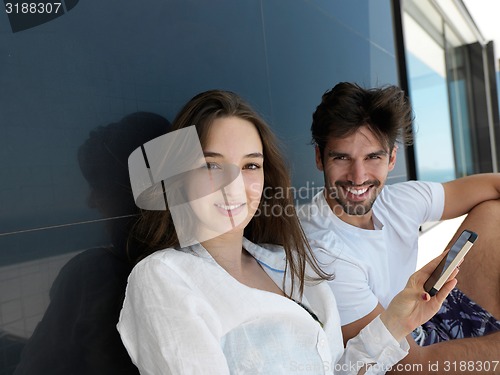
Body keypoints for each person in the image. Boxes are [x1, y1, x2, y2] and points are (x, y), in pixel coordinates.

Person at [117, 89, 457, 375]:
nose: (234, 186)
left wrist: (397, 320)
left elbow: (339, 369)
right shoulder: (163, 278)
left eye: (250, 165)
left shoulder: (289, 263)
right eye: (212, 165)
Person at [299, 82, 500, 374]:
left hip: (427, 316)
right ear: (320, 158)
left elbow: (492, 185)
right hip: (403, 356)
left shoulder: (397, 200)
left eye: (373, 157)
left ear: (392, 158)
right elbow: (406, 365)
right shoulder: (322, 250)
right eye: (341, 157)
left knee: (492, 210)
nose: (358, 177)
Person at [14, 112, 171, 374]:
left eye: (98, 185)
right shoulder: (209, 262)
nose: (90, 201)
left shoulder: (93, 275)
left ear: (127, 191)